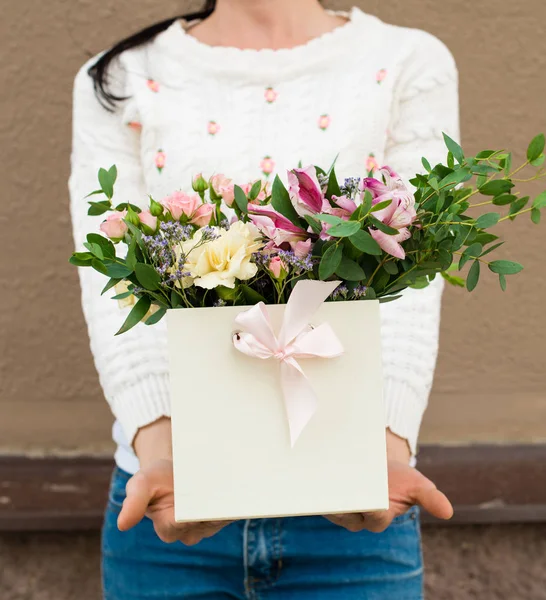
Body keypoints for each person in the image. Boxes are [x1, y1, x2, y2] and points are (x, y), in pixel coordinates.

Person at [69, 1, 459, 598]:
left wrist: (379, 452)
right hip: (167, 505)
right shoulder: (119, 78)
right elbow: (117, 285)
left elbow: (413, 273)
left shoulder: (406, 62)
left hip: (352, 515)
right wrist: (170, 460)